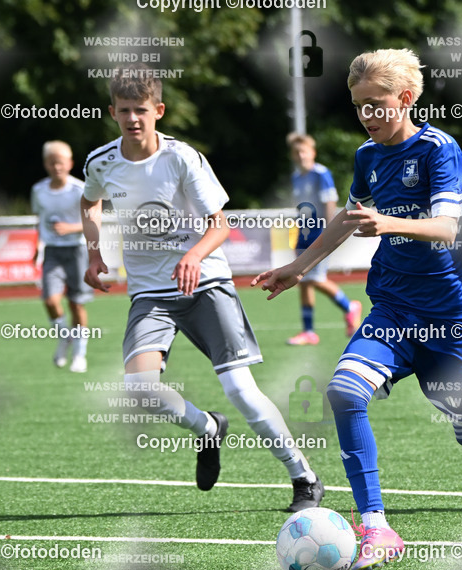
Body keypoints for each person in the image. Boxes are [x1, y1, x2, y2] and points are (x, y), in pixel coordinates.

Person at [252, 49, 462, 570]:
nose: (367, 116)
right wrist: (298, 266)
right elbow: (349, 216)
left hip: (452, 317)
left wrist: (389, 223)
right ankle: (376, 526)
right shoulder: (367, 156)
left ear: (406, 99)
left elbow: (450, 228)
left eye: (376, 105)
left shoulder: (439, 149)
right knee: (343, 391)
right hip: (393, 307)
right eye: (359, 106)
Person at [81, 66, 324, 511]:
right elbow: (89, 201)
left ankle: (303, 476)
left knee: (241, 390)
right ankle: (208, 428)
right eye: (124, 111)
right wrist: (94, 253)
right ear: (112, 112)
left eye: (141, 110)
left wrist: (192, 256)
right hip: (151, 295)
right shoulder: (101, 162)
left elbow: (220, 225)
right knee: (140, 390)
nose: (133, 118)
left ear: (159, 110)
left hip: (206, 283)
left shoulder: (182, 158)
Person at [284, 133, 362, 345]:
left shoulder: (321, 174)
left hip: (319, 231)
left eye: (304, 151)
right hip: (304, 231)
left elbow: (330, 201)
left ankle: (349, 306)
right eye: (297, 152)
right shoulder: (296, 177)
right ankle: (309, 331)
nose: (301, 155)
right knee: (302, 280)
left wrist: (329, 231)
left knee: (315, 278)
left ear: (313, 153)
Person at [31, 140, 92, 373]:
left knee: (76, 303)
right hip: (52, 252)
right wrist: (38, 244)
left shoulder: (80, 189)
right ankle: (64, 336)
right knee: (50, 300)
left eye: (61, 162)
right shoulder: (38, 190)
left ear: (70, 164)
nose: (57, 167)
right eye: (52, 162)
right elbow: (41, 220)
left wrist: (71, 228)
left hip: (77, 250)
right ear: (46, 164)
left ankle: (80, 353)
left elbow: (93, 221)